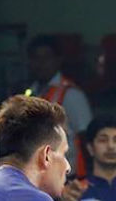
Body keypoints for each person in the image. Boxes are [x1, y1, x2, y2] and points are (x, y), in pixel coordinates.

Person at [26, 35, 92, 175]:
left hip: (69, 175)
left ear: (58, 60)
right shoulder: (31, 93)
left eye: (46, 58)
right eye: (36, 58)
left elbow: (86, 136)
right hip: (41, 175)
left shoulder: (72, 95)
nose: (41, 63)